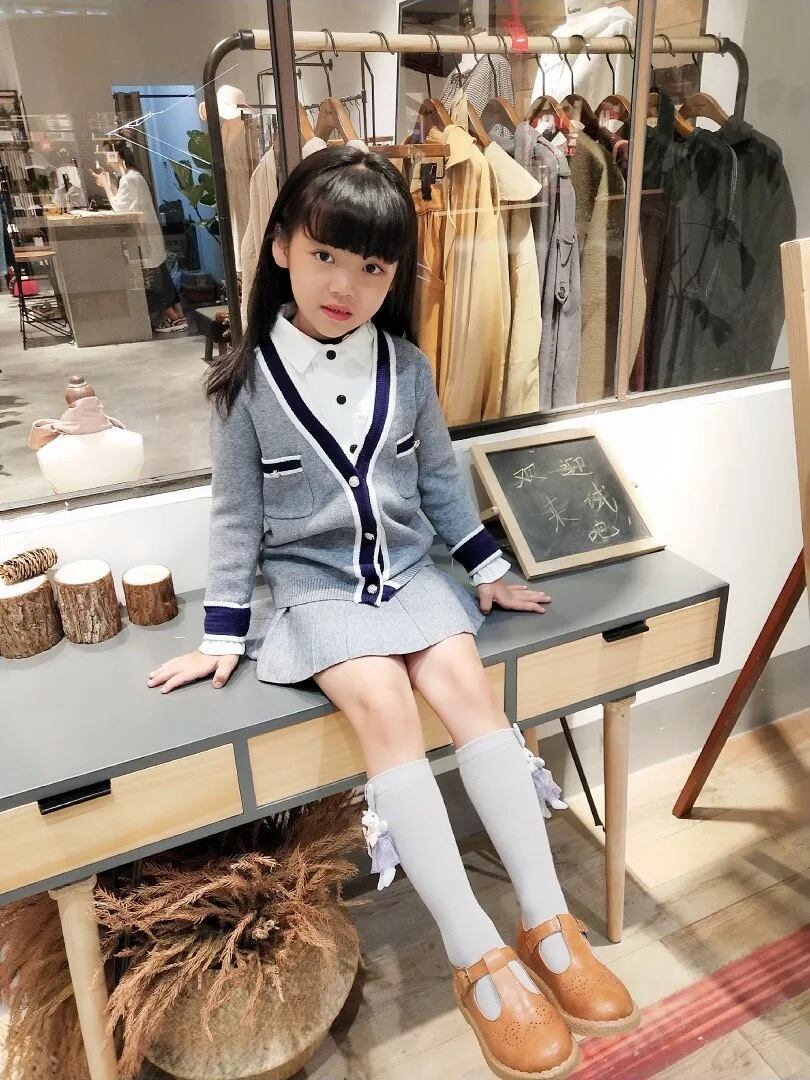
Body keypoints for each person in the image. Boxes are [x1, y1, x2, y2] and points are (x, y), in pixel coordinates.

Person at [146, 146, 638, 1080]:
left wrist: (488, 570)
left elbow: (443, 488)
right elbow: (236, 519)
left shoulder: (407, 368)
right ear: (282, 247)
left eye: (373, 266)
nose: (347, 284)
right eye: (326, 255)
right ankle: (473, 954)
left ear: (395, 276)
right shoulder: (244, 385)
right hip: (317, 589)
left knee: (468, 688)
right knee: (382, 704)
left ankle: (548, 924)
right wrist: (222, 634)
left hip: (411, 575)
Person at [91, 140, 187, 334]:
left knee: (152, 281)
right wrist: (110, 185)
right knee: (161, 278)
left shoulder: (129, 179)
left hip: (144, 237)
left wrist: (107, 186)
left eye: (109, 156)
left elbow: (120, 208)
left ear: (118, 156)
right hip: (149, 236)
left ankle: (174, 318)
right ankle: (179, 316)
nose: (107, 161)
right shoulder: (134, 177)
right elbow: (125, 202)